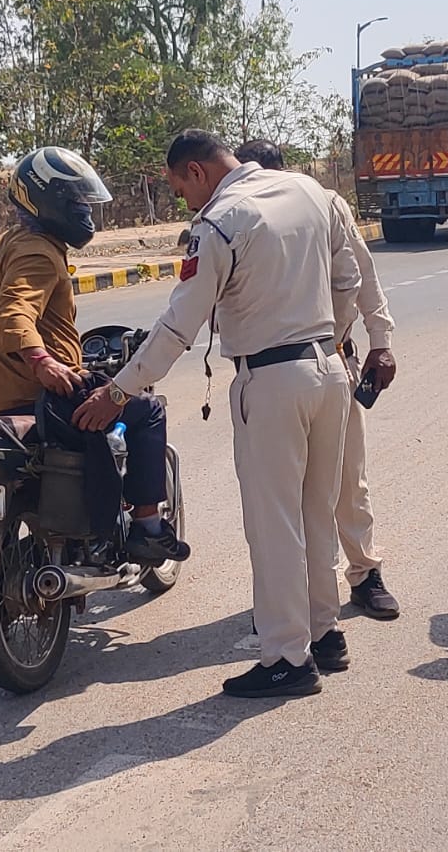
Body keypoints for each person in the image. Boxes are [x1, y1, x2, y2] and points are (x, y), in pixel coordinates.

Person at [71, 130, 362, 698]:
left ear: (197, 172)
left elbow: (178, 328)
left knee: (274, 525)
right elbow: (348, 280)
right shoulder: (311, 193)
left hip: (272, 381)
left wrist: (119, 392)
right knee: (316, 512)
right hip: (330, 372)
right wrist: (333, 337)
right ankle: (326, 635)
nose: (185, 201)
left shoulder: (219, 222)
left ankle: (287, 658)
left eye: (181, 189)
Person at [0, 145, 188, 566]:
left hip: (2, 402)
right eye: (76, 201)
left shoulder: (6, 244)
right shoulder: (39, 253)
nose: (84, 211)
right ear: (49, 201)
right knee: (148, 410)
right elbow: (15, 313)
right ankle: (147, 527)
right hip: (48, 397)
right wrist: (42, 361)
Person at [232, 138, 401, 620]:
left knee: (348, 481)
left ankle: (365, 573)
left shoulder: (324, 206)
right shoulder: (236, 216)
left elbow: (362, 276)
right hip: (266, 377)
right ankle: (296, 599)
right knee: (283, 496)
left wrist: (381, 341)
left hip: (332, 362)